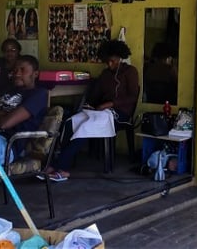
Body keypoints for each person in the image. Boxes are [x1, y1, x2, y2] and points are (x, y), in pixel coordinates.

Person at [44, 40, 140, 181]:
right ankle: (55, 164)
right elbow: (96, 95)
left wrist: (110, 104)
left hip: (120, 113)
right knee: (71, 122)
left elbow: (132, 97)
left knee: (85, 127)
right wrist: (90, 104)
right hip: (100, 112)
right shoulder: (106, 74)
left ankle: (62, 169)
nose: (110, 65)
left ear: (120, 58)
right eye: (107, 62)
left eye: (113, 61)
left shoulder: (130, 71)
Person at [0, 55, 48, 168]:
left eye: (22, 70)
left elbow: (4, 124)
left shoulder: (38, 94)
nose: (17, 74)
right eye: (15, 70)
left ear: (35, 74)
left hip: (6, 144)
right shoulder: (7, 90)